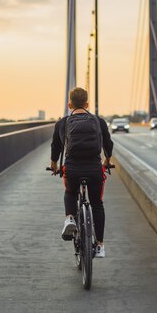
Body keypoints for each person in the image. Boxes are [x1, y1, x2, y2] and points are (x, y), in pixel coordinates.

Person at [50, 87, 114, 258]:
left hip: (72, 169)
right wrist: (107, 161)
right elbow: (108, 145)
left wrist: (54, 164)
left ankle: (70, 218)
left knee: (70, 192)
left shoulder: (62, 123)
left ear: (69, 104)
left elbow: (55, 147)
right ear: (87, 104)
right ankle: (100, 245)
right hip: (94, 169)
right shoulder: (98, 122)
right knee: (97, 204)